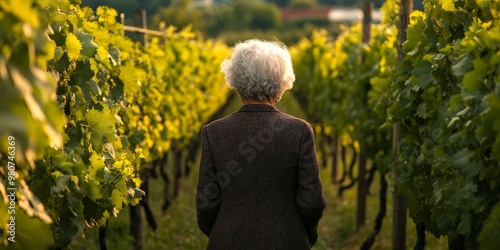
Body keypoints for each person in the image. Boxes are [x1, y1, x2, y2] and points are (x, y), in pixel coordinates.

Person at [195, 39, 327, 250]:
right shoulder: (299, 131)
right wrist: (304, 234)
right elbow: (311, 201)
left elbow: (205, 203)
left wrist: (224, 232)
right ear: (281, 83)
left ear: (236, 82)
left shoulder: (213, 133)